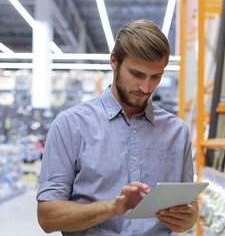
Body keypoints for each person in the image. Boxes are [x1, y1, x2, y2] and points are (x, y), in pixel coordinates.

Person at [36, 20, 198, 236]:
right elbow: (48, 217)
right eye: (137, 74)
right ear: (114, 61)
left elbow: (191, 208)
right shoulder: (71, 125)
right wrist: (112, 207)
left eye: (156, 76)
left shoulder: (177, 131)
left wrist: (187, 218)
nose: (146, 87)